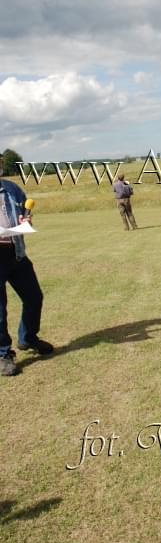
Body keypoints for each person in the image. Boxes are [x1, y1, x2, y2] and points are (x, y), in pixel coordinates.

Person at [0, 153, 53, 377]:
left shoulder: (12, 189)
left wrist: (26, 221)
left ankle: (28, 338)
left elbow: (23, 213)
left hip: (17, 253)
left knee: (34, 297)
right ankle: (3, 354)